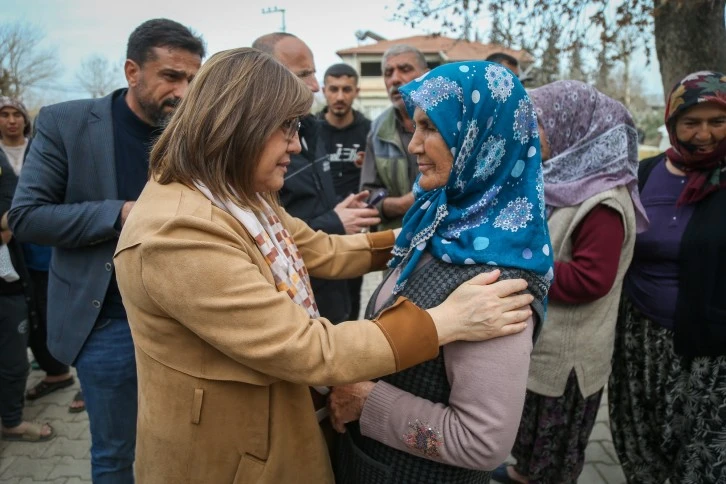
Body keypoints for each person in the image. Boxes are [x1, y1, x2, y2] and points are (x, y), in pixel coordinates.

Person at [112, 48, 536, 484]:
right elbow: (306, 347)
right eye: (286, 129)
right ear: (239, 127)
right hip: (232, 457)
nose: (296, 146)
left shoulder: (235, 194)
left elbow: (322, 250)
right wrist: (442, 322)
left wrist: (420, 234)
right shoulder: (179, 231)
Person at [329, 61, 553, 484]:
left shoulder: (499, 282)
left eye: (431, 127)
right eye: (415, 127)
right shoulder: (441, 220)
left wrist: (367, 399)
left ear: (482, 137)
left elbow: (482, 442)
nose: (414, 145)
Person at [8, 19, 205, 483]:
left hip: (189, 319)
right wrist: (121, 213)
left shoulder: (195, 131)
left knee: (188, 444)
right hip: (109, 323)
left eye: (194, 80)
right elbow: (27, 217)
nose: (185, 91)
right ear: (132, 71)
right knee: (116, 453)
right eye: (172, 77)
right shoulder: (66, 122)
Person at [491, 80, 647, 484]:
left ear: (573, 128)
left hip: (567, 362)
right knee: (531, 452)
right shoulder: (561, 185)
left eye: (537, 125)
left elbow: (592, 279)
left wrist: (516, 267)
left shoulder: (602, 202)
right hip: (544, 348)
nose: (528, 135)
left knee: (552, 460)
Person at [608, 71, 726, 484]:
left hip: (710, 349)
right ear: (672, 122)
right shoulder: (643, 174)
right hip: (639, 340)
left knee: (704, 455)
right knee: (641, 441)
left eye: (717, 121)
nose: (704, 134)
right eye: (691, 122)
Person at [252, 33, 379, 323]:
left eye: (313, 73)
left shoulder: (311, 129)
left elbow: (309, 236)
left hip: (334, 276)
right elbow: (270, 237)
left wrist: (343, 211)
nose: (313, 86)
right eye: (303, 75)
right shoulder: (252, 157)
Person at [0, 96, 83, 412]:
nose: (11, 120)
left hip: (47, 250)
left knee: (61, 312)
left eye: (16, 114)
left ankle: (75, 376)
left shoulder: (41, 147)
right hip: (14, 257)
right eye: (4, 114)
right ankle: (55, 369)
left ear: (24, 119)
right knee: (33, 315)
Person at [0, 150, 55, 442]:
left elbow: (10, 219)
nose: (9, 120)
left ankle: (11, 421)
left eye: (14, 114)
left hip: (9, 285)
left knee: (14, 363)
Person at [318, 63, 372, 319]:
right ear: (324, 90)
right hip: (318, 227)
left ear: (356, 91)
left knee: (352, 295)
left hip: (355, 232)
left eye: (346, 89)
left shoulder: (370, 131)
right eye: (334, 89)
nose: (340, 96)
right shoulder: (310, 130)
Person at [360, 45, 428, 229]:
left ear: (427, 75)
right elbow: (368, 195)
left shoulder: (451, 122)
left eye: (405, 69)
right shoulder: (377, 129)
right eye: (388, 73)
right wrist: (402, 205)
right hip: (396, 240)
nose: (395, 79)